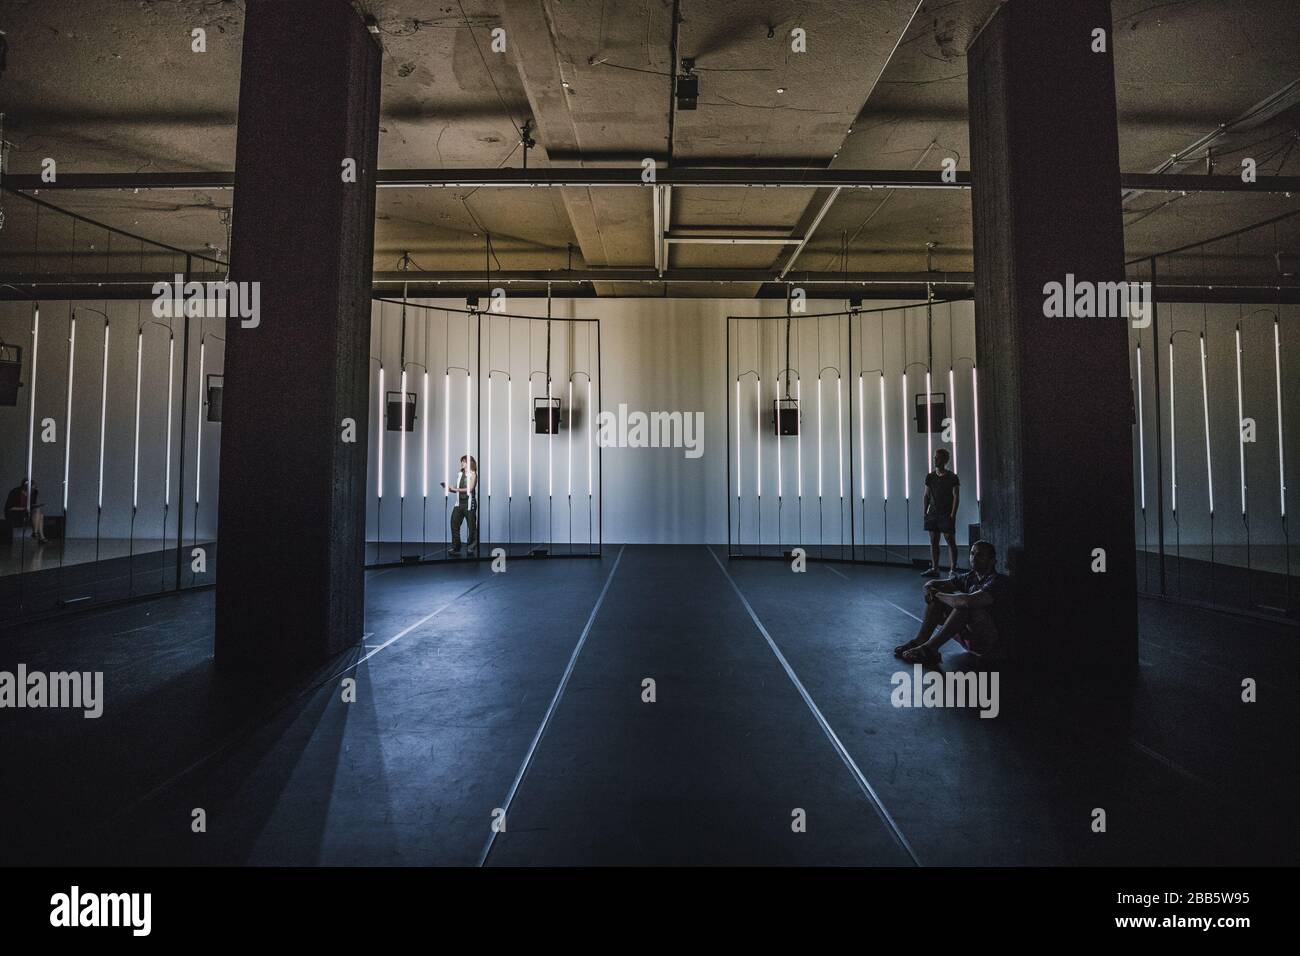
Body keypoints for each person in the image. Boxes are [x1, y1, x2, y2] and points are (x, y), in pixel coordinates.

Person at [894, 539, 1007, 667]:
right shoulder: (970, 577)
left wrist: (937, 594)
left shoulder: (998, 582)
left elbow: (967, 602)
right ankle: (920, 641)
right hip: (970, 638)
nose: (974, 557)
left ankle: (930, 648)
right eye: (972, 553)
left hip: (991, 645)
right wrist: (928, 586)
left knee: (964, 605)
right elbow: (937, 584)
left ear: (992, 561)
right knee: (940, 599)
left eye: (980, 555)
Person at [920, 447, 959, 577]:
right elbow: (926, 495)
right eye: (934, 457)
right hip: (933, 513)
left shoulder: (952, 477)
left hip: (946, 514)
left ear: (944, 460)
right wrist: (925, 512)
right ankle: (935, 568)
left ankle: (953, 570)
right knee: (933, 541)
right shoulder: (930, 477)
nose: (935, 459)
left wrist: (953, 514)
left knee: (949, 540)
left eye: (937, 457)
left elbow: (956, 496)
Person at [441, 455, 478, 556]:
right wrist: (449, 488)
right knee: (454, 523)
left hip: (469, 503)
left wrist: (455, 489)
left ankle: (471, 547)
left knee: (471, 527)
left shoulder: (473, 474)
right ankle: (456, 547)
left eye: (464, 461)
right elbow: (458, 489)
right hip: (459, 503)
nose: (462, 463)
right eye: (461, 461)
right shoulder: (460, 474)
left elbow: (469, 489)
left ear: (470, 463)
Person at [4, 478, 49, 544]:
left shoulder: (34, 493)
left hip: (27, 512)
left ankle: (36, 533)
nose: (33, 490)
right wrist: (25, 508)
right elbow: (10, 507)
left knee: (40, 513)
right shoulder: (15, 492)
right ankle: (40, 536)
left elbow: (31, 504)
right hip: (16, 513)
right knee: (39, 514)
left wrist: (35, 505)